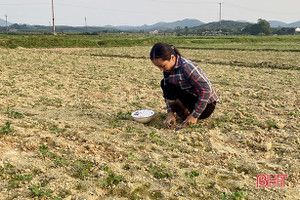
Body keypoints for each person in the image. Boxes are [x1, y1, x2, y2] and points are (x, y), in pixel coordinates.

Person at [150, 42, 220, 129]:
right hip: (190, 103)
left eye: (163, 66)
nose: (161, 69)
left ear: (172, 57)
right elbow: (167, 93)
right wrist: (170, 113)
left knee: (169, 86)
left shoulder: (186, 67)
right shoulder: (168, 70)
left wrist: (194, 116)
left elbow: (206, 90)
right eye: (158, 67)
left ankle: (189, 114)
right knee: (165, 84)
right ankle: (183, 113)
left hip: (206, 107)